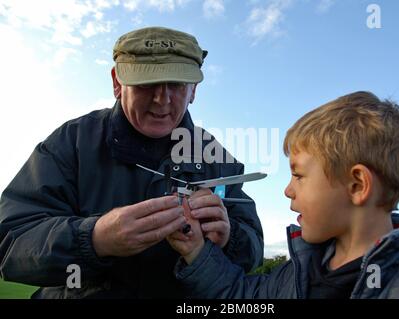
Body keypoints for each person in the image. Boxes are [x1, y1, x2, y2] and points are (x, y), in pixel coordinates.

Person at [0, 26, 263, 298]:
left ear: (193, 90)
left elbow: (252, 250)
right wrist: (94, 239)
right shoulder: (72, 142)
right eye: (146, 84)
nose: (162, 100)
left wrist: (229, 239)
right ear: (117, 82)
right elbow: (10, 245)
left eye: (176, 84)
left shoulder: (216, 158)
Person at [168, 91, 399, 299]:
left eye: (299, 175)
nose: (287, 190)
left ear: (357, 185)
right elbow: (241, 296)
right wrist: (196, 251)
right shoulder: (298, 271)